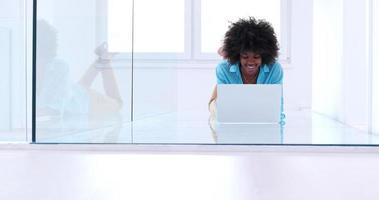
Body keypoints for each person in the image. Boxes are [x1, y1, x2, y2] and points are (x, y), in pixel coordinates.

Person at [208, 17, 284, 122]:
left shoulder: (274, 70)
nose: (251, 62)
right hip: (232, 126)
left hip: (263, 126)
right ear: (238, 56)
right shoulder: (224, 69)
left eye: (256, 57)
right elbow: (222, 111)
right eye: (245, 56)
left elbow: (277, 112)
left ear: (264, 56)